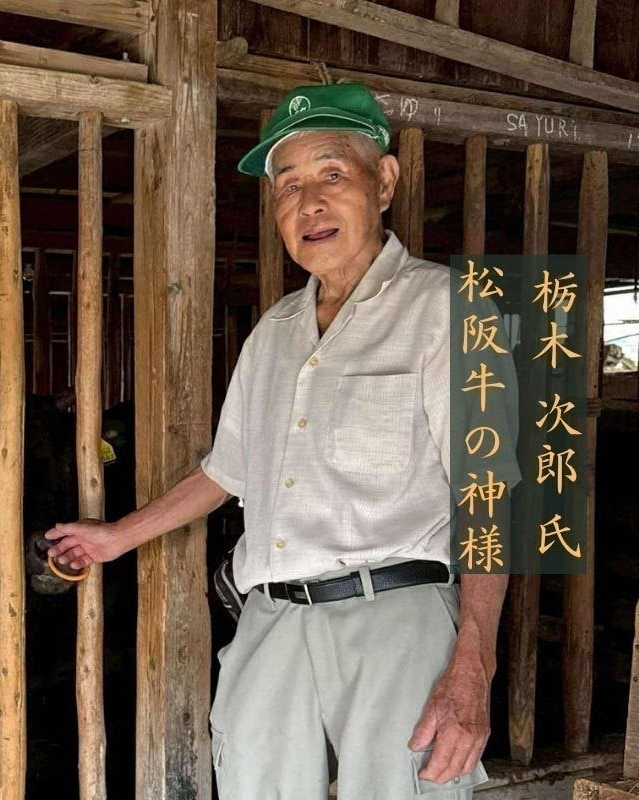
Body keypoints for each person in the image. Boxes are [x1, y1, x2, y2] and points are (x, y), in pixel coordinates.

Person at [47, 83, 520, 799]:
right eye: (289, 185)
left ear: (384, 182)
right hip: (271, 619)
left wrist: (473, 663)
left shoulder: (449, 308)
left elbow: (489, 494)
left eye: (332, 173)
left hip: (395, 616)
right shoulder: (272, 334)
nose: (310, 204)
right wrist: (117, 537)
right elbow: (225, 473)